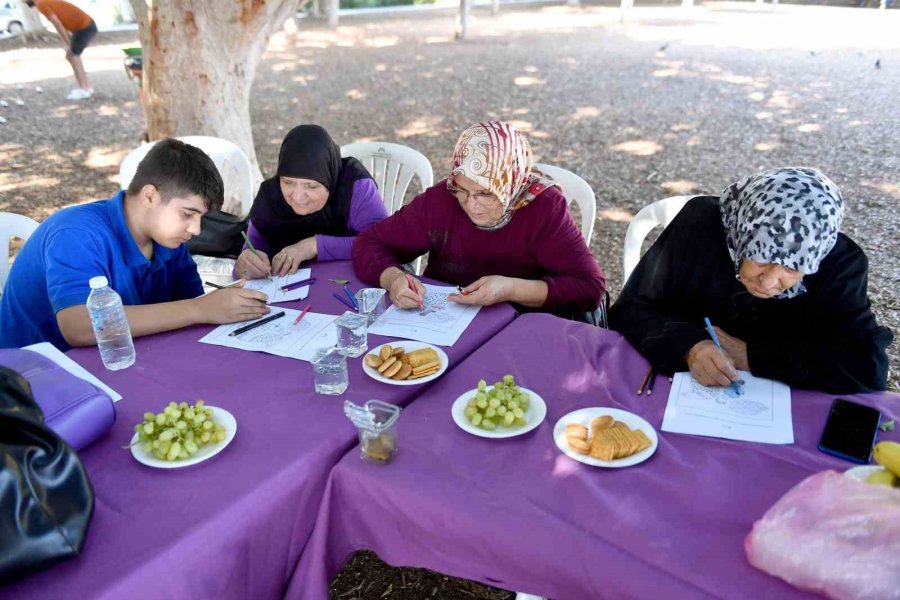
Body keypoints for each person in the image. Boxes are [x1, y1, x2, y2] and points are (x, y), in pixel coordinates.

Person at [609, 167, 893, 393]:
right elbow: (631, 309)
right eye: (761, 258)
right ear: (743, 233)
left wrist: (752, 356)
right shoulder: (700, 225)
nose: (769, 282)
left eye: (793, 270)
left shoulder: (839, 264)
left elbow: (867, 367)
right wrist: (690, 346)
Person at [0, 138, 270, 350]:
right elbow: (79, 326)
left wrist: (216, 306)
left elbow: (191, 304)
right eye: (188, 214)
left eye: (201, 217)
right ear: (150, 196)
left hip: (125, 356)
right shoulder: (76, 233)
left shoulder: (168, 237)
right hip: (33, 380)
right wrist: (200, 309)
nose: (196, 229)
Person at [352, 120, 605, 318]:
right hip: (442, 317)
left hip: (521, 323)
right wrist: (394, 279)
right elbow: (369, 243)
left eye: (486, 193)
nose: (472, 204)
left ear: (510, 183)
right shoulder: (443, 198)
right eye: (463, 190)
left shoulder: (544, 208)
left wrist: (510, 289)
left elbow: (590, 288)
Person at [235, 125, 387, 280]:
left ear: (329, 177)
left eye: (311, 186)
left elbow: (381, 242)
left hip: (351, 284)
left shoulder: (355, 186)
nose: (298, 196)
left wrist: (312, 246)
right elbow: (252, 248)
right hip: (289, 294)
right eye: (288, 182)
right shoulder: (270, 196)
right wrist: (246, 262)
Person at [25, 0, 97, 100]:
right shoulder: (43, 2)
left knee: (72, 55)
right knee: (72, 56)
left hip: (85, 27)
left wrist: (68, 43)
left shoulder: (41, 3)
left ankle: (84, 89)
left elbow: (57, 24)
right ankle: (86, 87)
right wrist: (67, 42)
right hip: (83, 27)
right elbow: (61, 20)